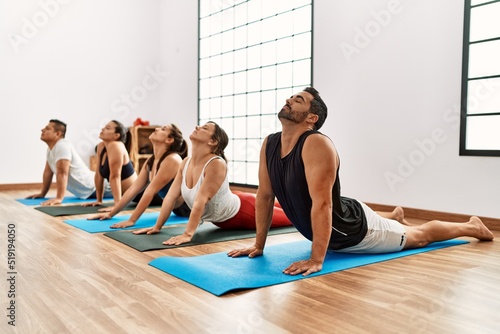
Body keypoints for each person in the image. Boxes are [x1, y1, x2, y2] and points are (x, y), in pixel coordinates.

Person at [227, 87, 494, 276]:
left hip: (355, 232)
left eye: (299, 100)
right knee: (374, 217)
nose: (289, 100)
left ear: (312, 118)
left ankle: (471, 226)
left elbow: (322, 205)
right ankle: (393, 214)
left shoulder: (316, 144)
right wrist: (258, 245)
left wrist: (317, 259)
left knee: (420, 236)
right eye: (291, 97)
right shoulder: (270, 143)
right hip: (344, 210)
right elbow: (264, 196)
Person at [133, 121, 292, 245]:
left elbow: (199, 202)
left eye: (204, 128)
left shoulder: (216, 164)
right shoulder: (185, 162)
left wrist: (187, 234)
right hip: (232, 203)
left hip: (245, 211)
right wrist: (157, 226)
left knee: (293, 217)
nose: (197, 127)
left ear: (213, 142)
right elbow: (170, 197)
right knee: (285, 204)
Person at [88, 124, 191, 226]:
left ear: (169, 140)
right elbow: (133, 189)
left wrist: (132, 220)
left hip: (189, 209)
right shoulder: (150, 161)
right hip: (177, 211)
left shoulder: (172, 159)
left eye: (163, 129)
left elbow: (150, 192)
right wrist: (110, 214)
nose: (156, 128)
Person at [26, 119, 110, 206]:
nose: (42, 129)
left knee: (124, 192)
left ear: (58, 133)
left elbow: (62, 173)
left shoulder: (62, 146)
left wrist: (59, 198)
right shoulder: (51, 149)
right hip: (91, 189)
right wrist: (42, 194)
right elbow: (48, 172)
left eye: (47, 128)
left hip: (100, 186)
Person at [82, 120, 137, 211]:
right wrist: (99, 200)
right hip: (132, 198)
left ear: (116, 136)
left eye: (107, 128)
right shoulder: (101, 146)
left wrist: (117, 205)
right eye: (104, 126)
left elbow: (115, 176)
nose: (102, 129)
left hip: (143, 194)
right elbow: (98, 174)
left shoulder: (116, 145)